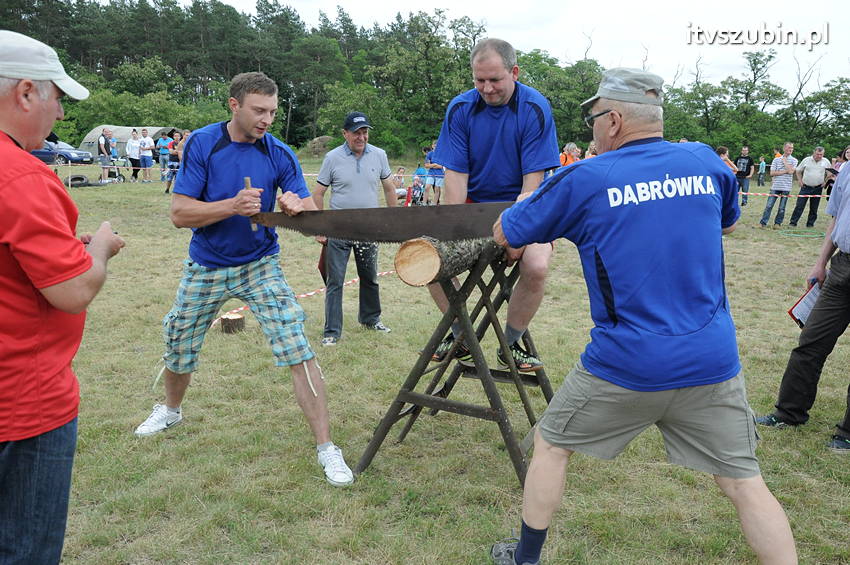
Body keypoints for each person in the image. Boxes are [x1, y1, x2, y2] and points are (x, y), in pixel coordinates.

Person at [489, 67, 797, 565]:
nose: (591, 128)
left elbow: (507, 233)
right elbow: (729, 222)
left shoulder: (584, 177)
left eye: (593, 118)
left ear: (613, 120)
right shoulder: (704, 160)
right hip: (711, 361)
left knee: (549, 445)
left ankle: (524, 558)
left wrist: (529, 198)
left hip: (625, 364)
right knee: (745, 483)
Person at [132, 72, 354, 487]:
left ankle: (327, 448)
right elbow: (180, 214)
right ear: (234, 105)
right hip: (207, 263)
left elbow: (309, 212)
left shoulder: (278, 153)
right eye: (258, 110)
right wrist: (231, 206)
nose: (266, 119)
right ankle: (172, 410)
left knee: (296, 345)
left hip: (260, 264)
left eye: (272, 111)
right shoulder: (203, 143)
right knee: (179, 339)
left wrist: (297, 207)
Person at [0, 30, 125, 564]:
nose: (59, 115)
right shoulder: (22, 177)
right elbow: (73, 291)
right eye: (56, 98)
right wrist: (98, 249)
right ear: (26, 93)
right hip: (22, 404)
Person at [431, 38, 560, 372]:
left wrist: (518, 231)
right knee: (425, 256)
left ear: (514, 72)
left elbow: (532, 182)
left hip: (524, 204)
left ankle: (512, 342)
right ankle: (459, 335)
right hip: (475, 206)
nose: (486, 88)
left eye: (495, 80)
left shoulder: (534, 107)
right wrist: (451, 227)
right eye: (479, 80)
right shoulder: (460, 108)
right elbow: (456, 176)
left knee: (536, 265)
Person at [755, 162, 850, 452]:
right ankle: (789, 413)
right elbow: (835, 219)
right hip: (842, 268)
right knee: (810, 342)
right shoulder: (847, 170)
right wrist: (821, 263)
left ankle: (847, 433)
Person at [312, 111, 397, 346]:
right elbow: (318, 194)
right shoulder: (332, 157)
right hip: (337, 230)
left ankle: (371, 319)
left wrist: (393, 219)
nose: (361, 137)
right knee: (335, 281)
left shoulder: (379, 155)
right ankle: (331, 332)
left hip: (368, 229)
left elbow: (390, 189)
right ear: (345, 134)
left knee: (369, 277)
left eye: (364, 132)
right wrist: (319, 227)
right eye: (356, 133)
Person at [789, 146, 832, 228]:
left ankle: (810, 224)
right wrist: (800, 181)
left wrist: (825, 182)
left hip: (818, 188)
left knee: (814, 207)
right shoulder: (806, 160)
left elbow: (830, 173)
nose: (819, 156)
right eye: (818, 154)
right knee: (799, 205)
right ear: (814, 152)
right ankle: (793, 223)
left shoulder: (826, 161)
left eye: (821, 154)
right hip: (805, 187)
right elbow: (798, 171)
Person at [760, 142, 797, 228]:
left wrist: (784, 162)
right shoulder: (776, 159)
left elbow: (791, 172)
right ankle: (763, 223)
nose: (791, 149)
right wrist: (785, 171)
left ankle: (777, 223)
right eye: (789, 147)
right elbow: (772, 173)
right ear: (784, 148)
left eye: (792, 148)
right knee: (769, 206)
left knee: (782, 208)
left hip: (786, 187)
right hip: (775, 186)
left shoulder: (794, 160)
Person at [423, 140, 444, 204]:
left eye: (437, 146)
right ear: (432, 146)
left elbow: (441, 166)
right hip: (431, 173)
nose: (436, 147)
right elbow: (426, 165)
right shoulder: (429, 154)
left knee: (437, 190)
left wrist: (431, 165)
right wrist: (435, 165)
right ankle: (424, 203)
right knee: (427, 188)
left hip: (440, 174)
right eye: (434, 146)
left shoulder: (442, 154)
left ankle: (434, 204)